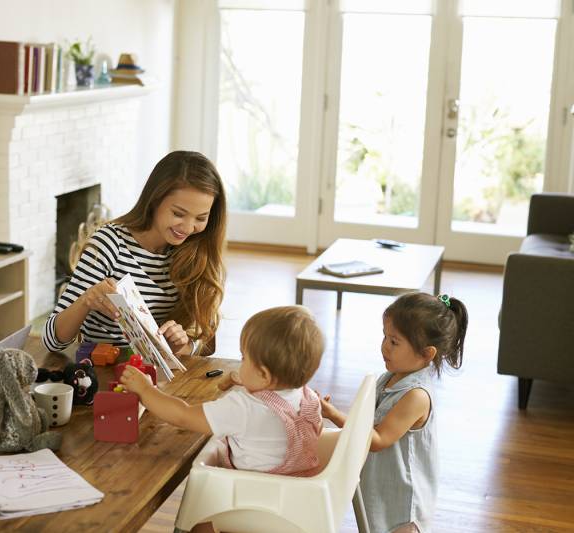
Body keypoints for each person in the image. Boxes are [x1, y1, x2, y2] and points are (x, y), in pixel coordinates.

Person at [42, 150, 226, 356]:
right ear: (154, 200)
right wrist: (86, 299)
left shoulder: (197, 250)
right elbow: (51, 340)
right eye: (178, 214)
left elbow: (206, 344)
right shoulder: (109, 243)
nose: (188, 227)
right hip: (102, 369)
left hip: (155, 372)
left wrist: (178, 346)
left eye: (201, 218)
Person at [321, 292, 469, 533]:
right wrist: (332, 414)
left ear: (427, 353)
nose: (384, 346)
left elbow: (378, 439)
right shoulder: (387, 379)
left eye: (394, 342)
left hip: (403, 504)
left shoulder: (416, 396)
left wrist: (336, 416)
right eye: (385, 336)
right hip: (381, 490)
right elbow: (368, 427)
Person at [120, 305, 324, 478]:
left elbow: (183, 416)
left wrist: (145, 390)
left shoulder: (243, 407)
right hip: (298, 490)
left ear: (264, 375)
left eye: (244, 358)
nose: (240, 363)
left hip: (252, 495)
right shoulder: (309, 398)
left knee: (200, 500)